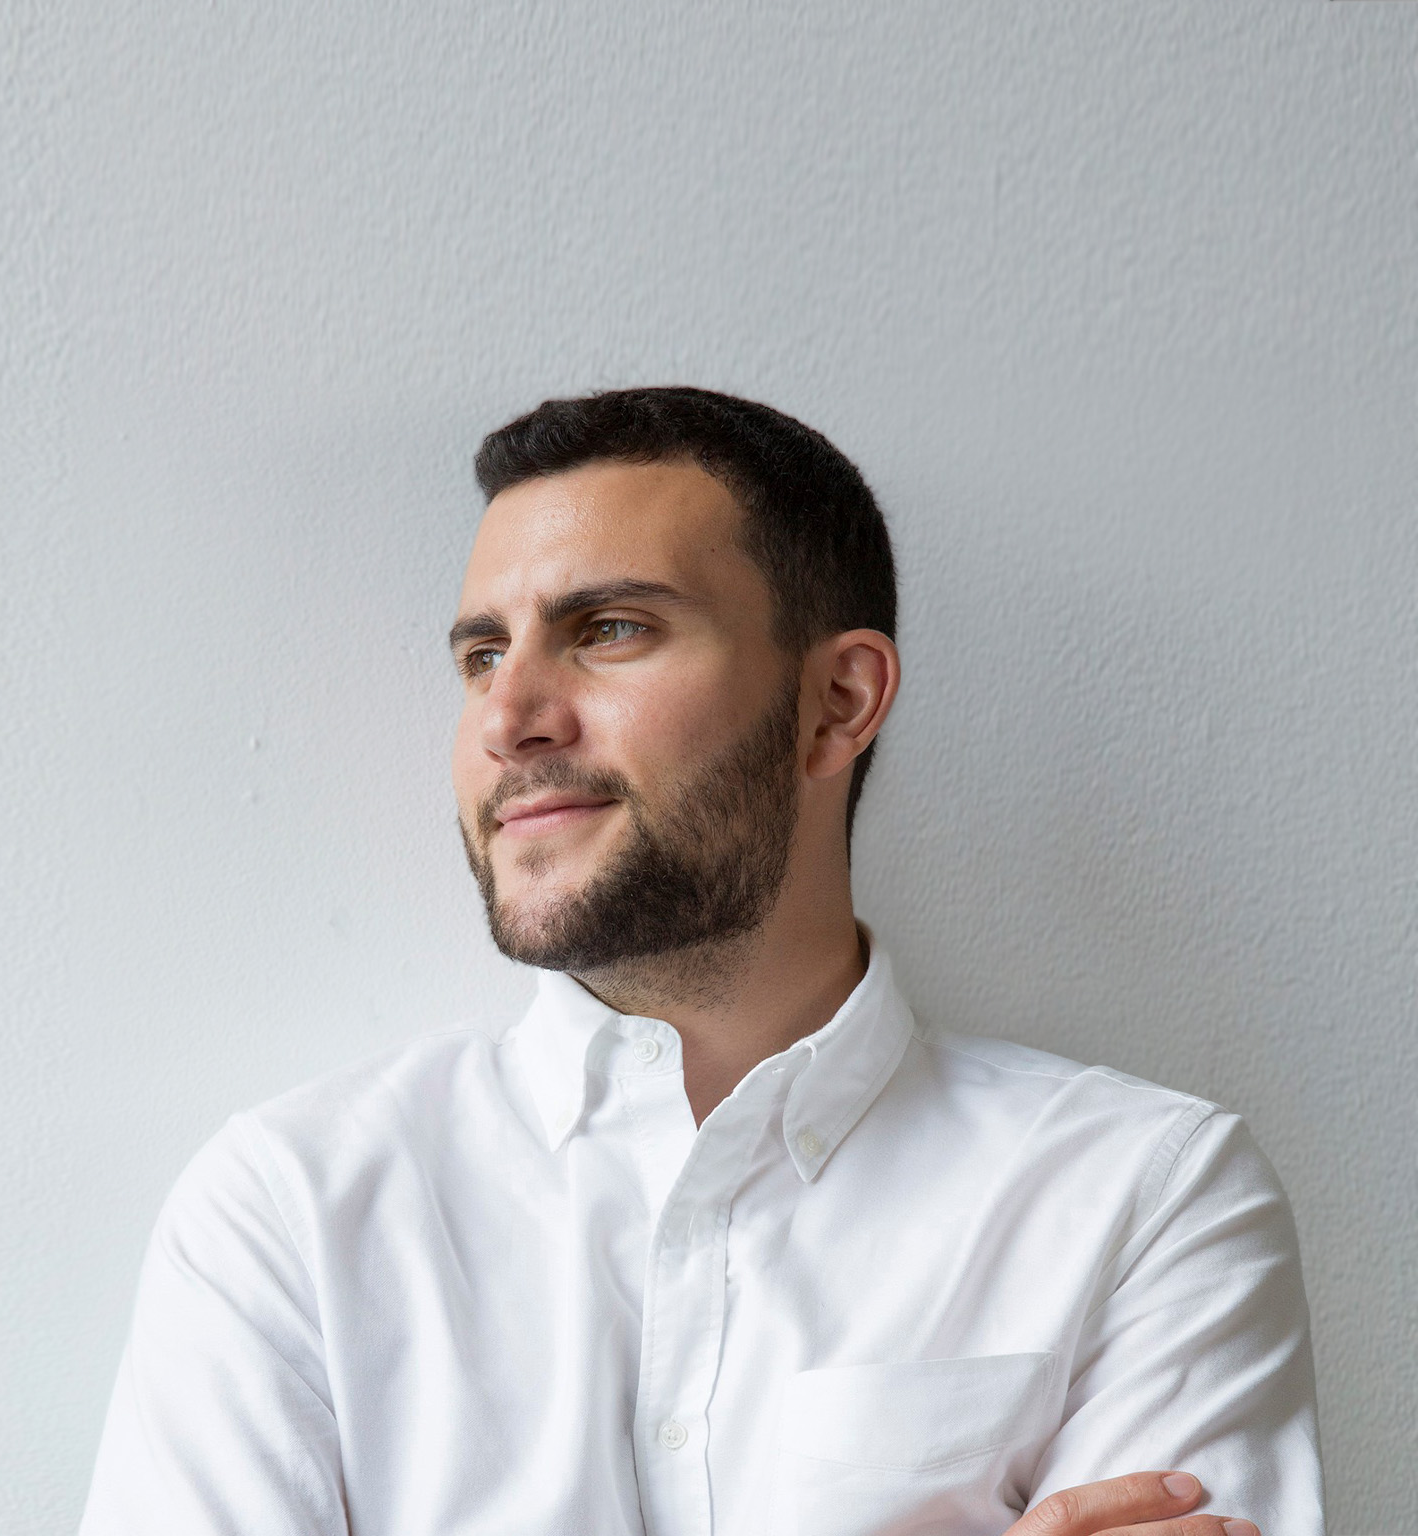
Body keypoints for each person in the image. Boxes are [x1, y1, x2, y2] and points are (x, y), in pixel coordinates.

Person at [81, 388, 1322, 1536]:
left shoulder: (1147, 1200)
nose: (509, 719)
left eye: (608, 630)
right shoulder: (292, 1213)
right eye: (480, 656)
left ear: (837, 701)